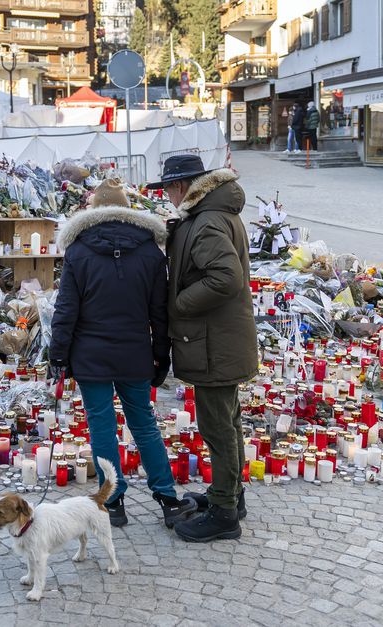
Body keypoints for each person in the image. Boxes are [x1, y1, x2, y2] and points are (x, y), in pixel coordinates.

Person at [48, 178, 198, 529]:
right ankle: (167, 498)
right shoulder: (150, 251)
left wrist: (58, 356)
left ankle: (112, 502)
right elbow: (159, 312)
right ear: (127, 210)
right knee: (144, 424)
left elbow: (66, 310)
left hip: (91, 355)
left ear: (94, 211)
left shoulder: (79, 250)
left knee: (102, 426)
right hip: (135, 352)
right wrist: (161, 355)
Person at [147, 155, 258, 543]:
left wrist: (179, 303)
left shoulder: (208, 220)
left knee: (218, 427)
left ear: (181, 186)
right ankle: (229, 495)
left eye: (168, 189)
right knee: (227, 421)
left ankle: (225, 513)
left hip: (215, 342)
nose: (167, 196)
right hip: (219, 339)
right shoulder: (210, 214)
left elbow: (226, 278)